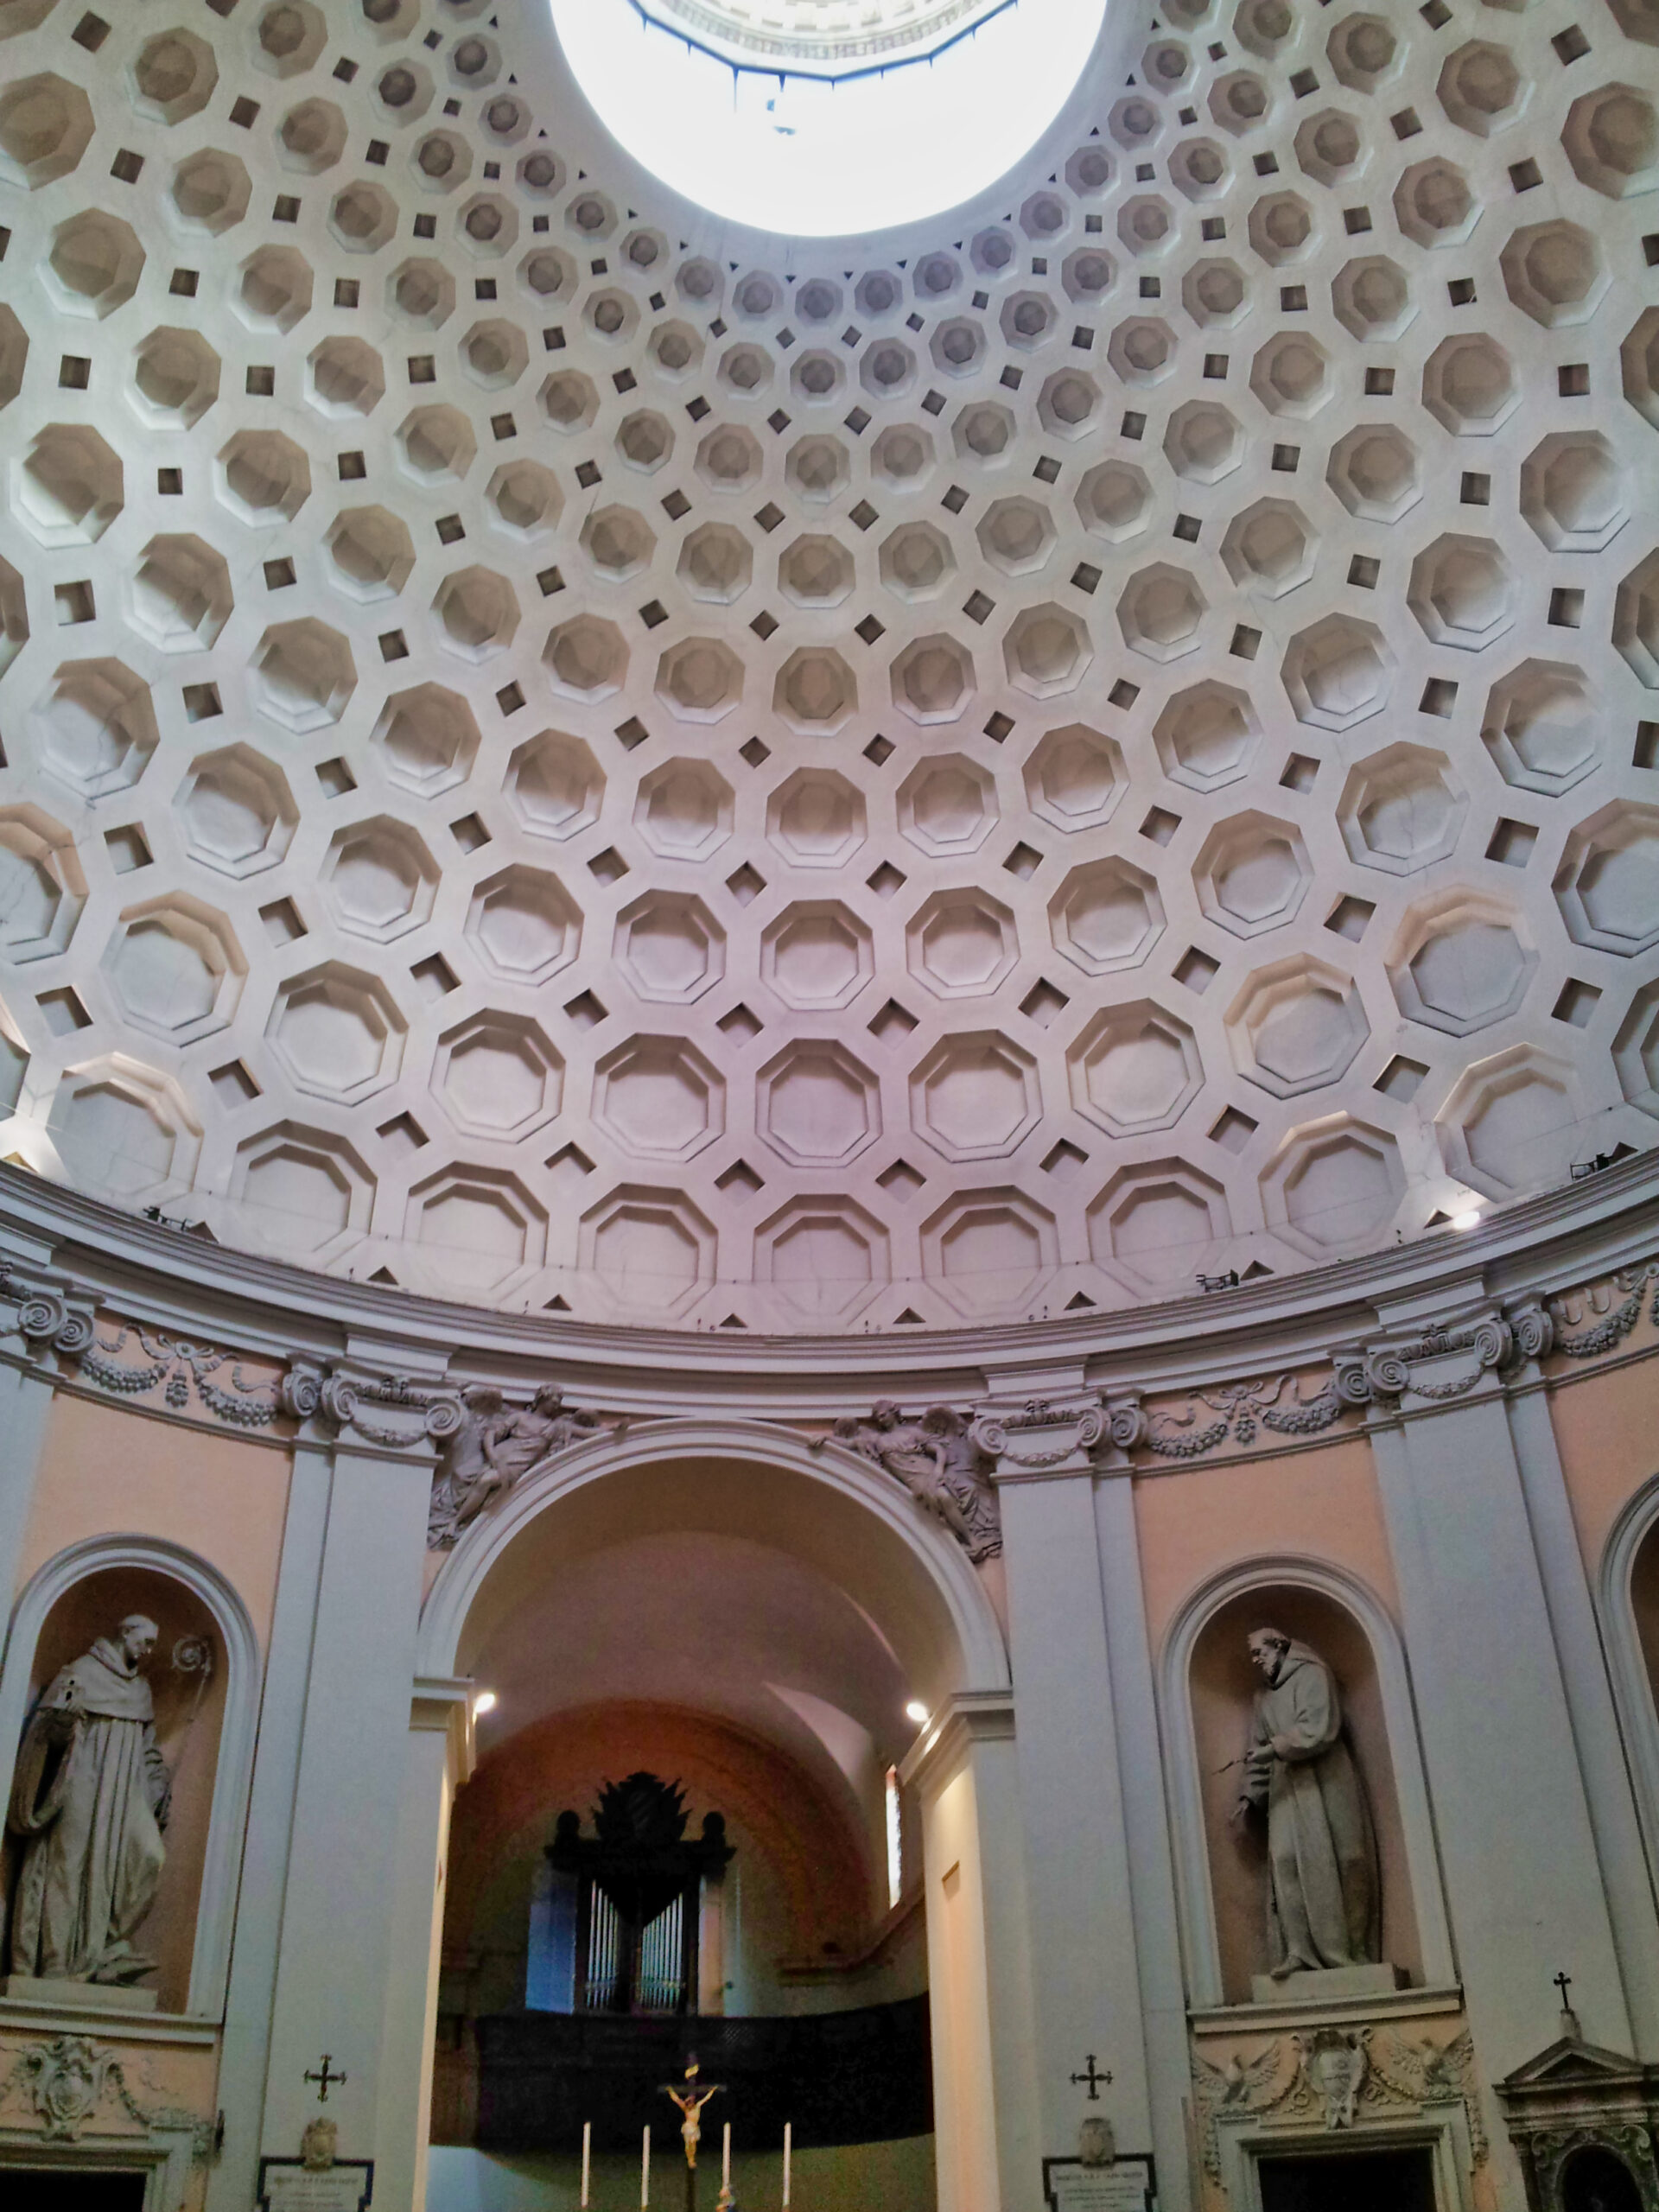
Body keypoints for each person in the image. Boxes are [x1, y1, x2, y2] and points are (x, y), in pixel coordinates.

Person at [7, 1613, 171, 1984]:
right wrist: (62, 1723)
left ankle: (106, 1947)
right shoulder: (81, 1672)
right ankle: (55, 1961)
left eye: (153, 1644)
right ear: (125, 1633)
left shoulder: (140, 1690)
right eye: (146, 1641)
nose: (149, 1650)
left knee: (149, 1854)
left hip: (127, 1787)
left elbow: (148, 1747)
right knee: (68, 1865)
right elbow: (46, 1736)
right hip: (83, 1777)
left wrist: (157, 1783)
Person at [1230, 1626, 1379, 1977]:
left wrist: (1272, 1749)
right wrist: (1250, 1796)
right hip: (1285, 1788)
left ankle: (1349, 1951)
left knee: (1344, 1859)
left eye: (1259, 1652)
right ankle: (1298, 1950)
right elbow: (1257, 1752)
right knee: (1285, 1861)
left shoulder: (1313, 1675)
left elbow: (1319, 1728)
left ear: (1279, 1647)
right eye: (1252, 1655)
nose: (1255, 1660)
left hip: (1326, 1781)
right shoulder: (1263, 1699)